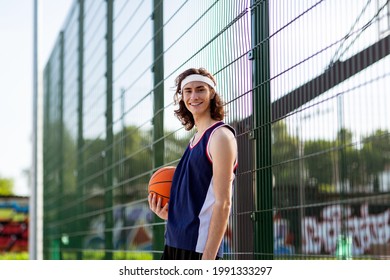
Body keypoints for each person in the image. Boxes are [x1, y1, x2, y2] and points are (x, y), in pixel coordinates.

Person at [148, 67, 238, 260]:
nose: (194, 96)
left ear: (211, 93)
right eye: (188, 91)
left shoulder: (220, 136)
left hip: (199, 249)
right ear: (182, 96)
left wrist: (208, 258)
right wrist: (171, 215)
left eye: (200, 89)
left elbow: (224, 203)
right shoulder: (194, 140)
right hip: (174, 242)